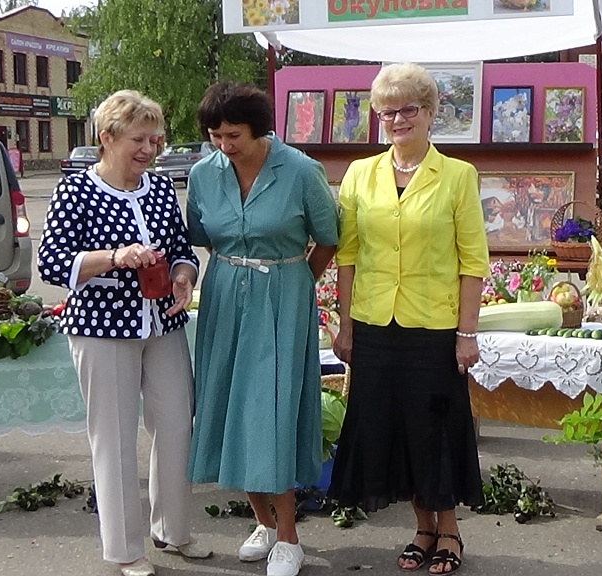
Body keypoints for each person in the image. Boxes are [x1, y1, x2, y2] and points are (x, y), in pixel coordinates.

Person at [37, 90, 208, 576]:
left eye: (155, 140)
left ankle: (172, 530)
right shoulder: (76, 191)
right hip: (101, 329)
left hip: (163, 322)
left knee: (176, 426)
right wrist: (115, 257)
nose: (149, 150)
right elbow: (52, 262)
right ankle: (126, 549)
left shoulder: (160, 190)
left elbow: (182, 250)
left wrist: (183, 275)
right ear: (107, 137)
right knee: (112, 439)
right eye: (139, 140)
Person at [330, 62, 490, 576]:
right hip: (375, 326)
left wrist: (467, 333)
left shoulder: (458, 176)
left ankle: (450, 530)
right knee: (390, 429)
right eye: (387, 111)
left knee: (434, 431)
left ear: (430, 112)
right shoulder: (360, 174)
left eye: (408, 109)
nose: (398, 119)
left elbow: (473, 261)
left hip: (433, 330)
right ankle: (422, 528)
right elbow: (347, 255)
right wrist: (346, 324)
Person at [186, 82, 338, 576]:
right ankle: (264, 524)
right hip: (225, 296)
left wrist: (297, 283)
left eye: (234, 135)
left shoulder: (300, 171)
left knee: (271, 412)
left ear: (259, 129)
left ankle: (290, 538)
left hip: (282, 297)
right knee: (231, 408)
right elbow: (203, 237)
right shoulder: (202, 174)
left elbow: (328, 237)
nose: (224, 145)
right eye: (215, 136)